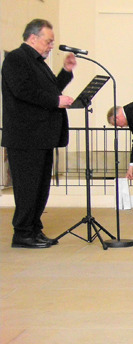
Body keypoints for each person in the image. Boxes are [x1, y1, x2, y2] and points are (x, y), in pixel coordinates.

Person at [2, 18, 75, 248]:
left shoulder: (37, 62)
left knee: (40, 187)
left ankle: (34, 229)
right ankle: (22, 233)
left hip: (41, 136)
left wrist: (65, 72)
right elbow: (23, 91)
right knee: (28, 187)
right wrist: (56, 100)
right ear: (33, 38)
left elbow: (50, 89)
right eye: (49, 41)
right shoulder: (16, 58)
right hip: (25, 137)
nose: (51, 45)